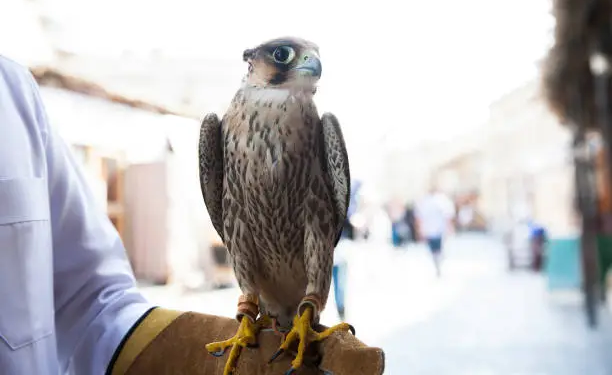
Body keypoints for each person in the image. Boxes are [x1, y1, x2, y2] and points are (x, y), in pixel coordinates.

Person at [0, 56, 384, 374]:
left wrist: (195, 358)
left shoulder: (12, 93)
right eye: (284, 55)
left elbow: (89, 304)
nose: (305, 62)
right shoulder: (219, 134)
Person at [414, 185, 455, 277]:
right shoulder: (440, 200)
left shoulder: (428, 201)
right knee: (437, 249)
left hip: (432, 230)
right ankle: (438, 264)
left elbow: (418, 217)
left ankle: (438, 263)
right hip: (436, 229)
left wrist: (419, 229)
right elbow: (448, 215)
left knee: (435, 250)